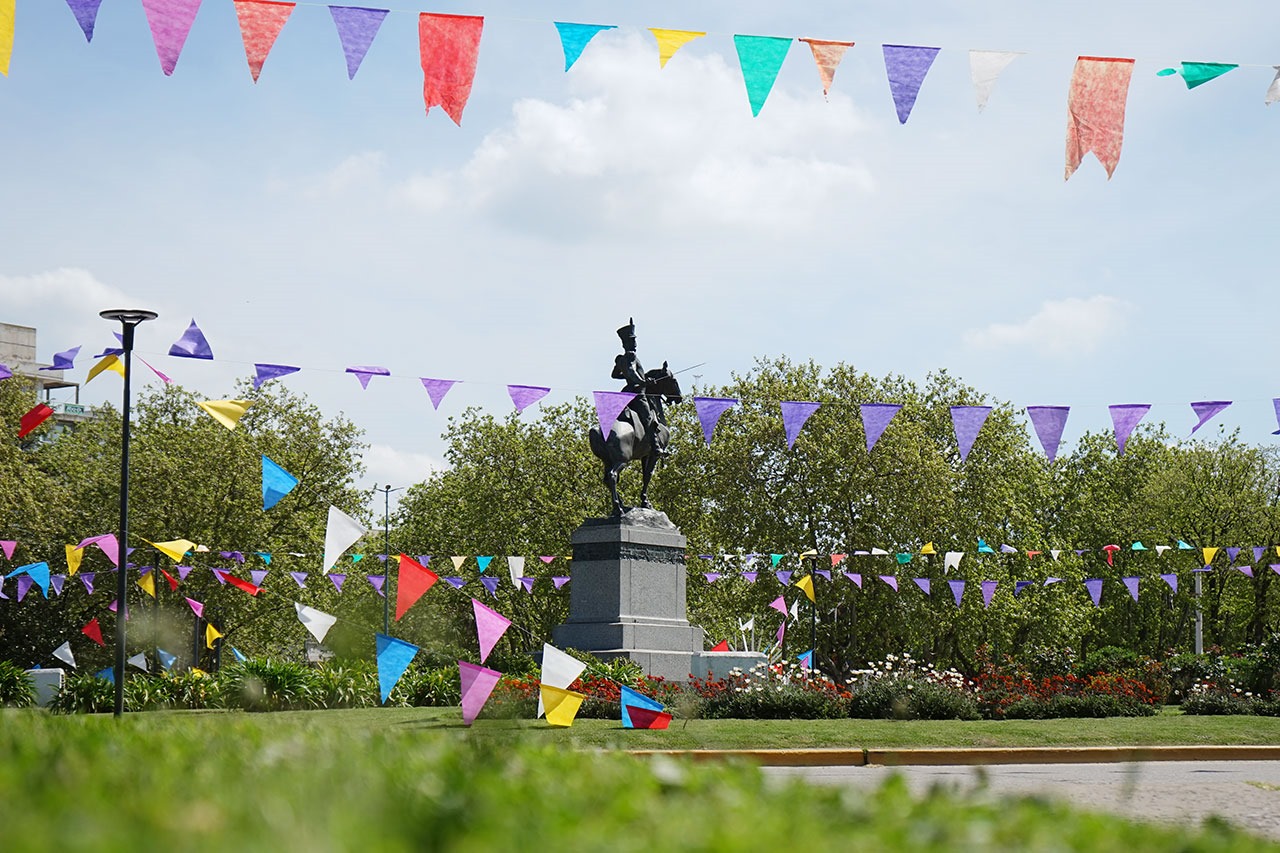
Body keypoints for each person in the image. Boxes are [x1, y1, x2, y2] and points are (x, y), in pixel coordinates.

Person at [612, 318, 670, 458]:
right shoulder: (631, 356)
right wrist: (643, 382)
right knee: (649, 418)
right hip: (638, 393)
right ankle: (656, 448)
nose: (635, 344)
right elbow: (631, 371)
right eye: (633, 341)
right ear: (627, 343)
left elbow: (614, 375)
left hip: (625, 393)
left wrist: (629, 377)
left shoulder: (620, 359)